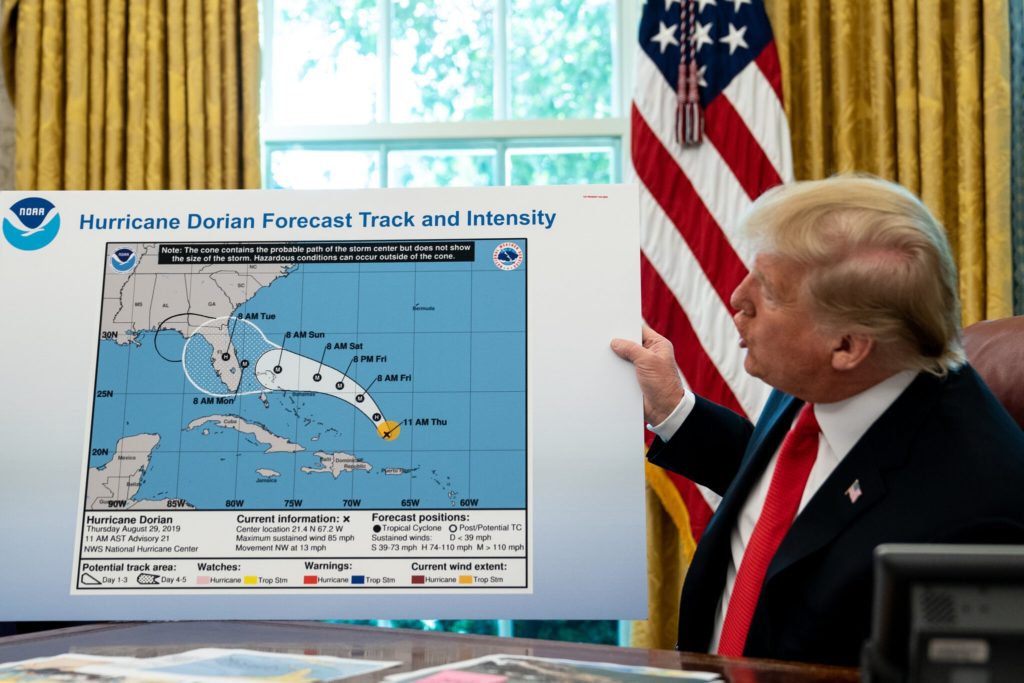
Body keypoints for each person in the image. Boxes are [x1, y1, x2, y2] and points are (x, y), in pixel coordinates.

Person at [611, 175, 1024, 667]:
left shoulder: (976, 516)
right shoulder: (825, 374)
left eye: (769, 291)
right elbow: (794, 493)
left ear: (848, 346)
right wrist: (673, 409)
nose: (737, 298)